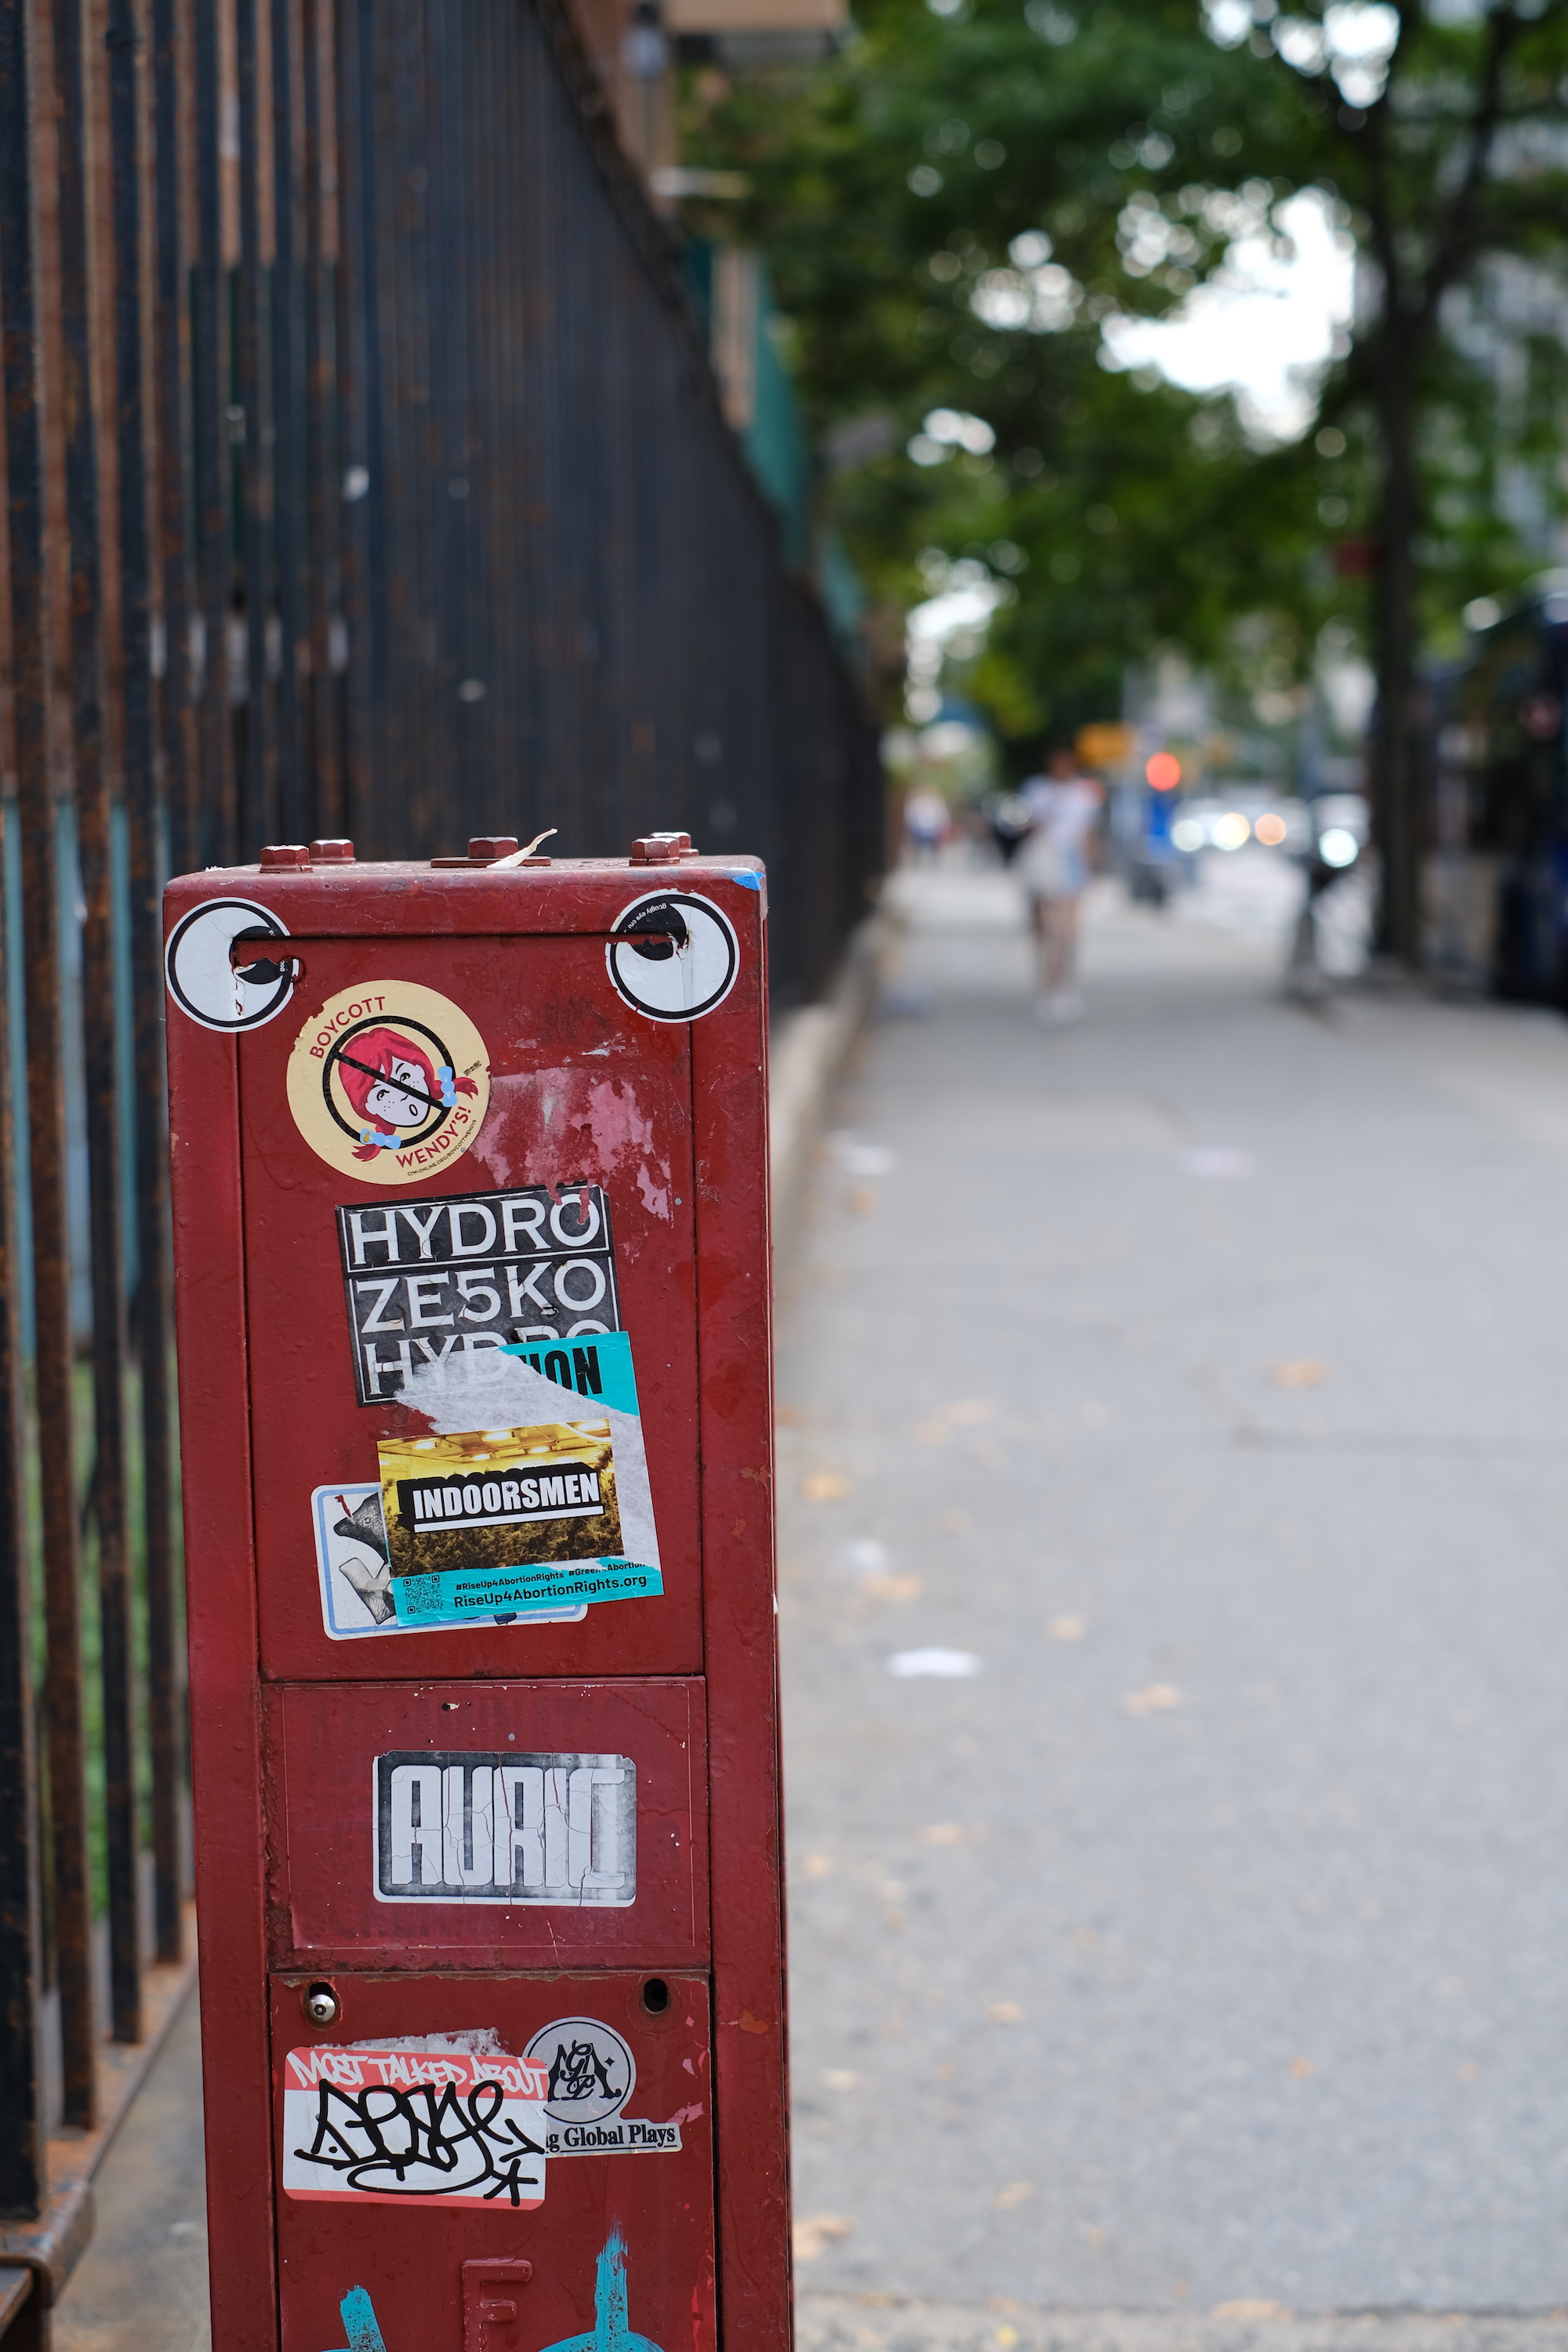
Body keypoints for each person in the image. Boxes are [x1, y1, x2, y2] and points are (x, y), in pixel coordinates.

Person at [1016, 746, 1102, 1024]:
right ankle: (1047, 988)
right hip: (1045, 864)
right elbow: (1029, 828)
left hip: (1072, 865)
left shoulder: (1084, 793)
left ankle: (1065, 986)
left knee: (1069, 933)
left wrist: (1090, 869)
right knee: (1048, 932)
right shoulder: (1038, 790)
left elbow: (1088, 833)